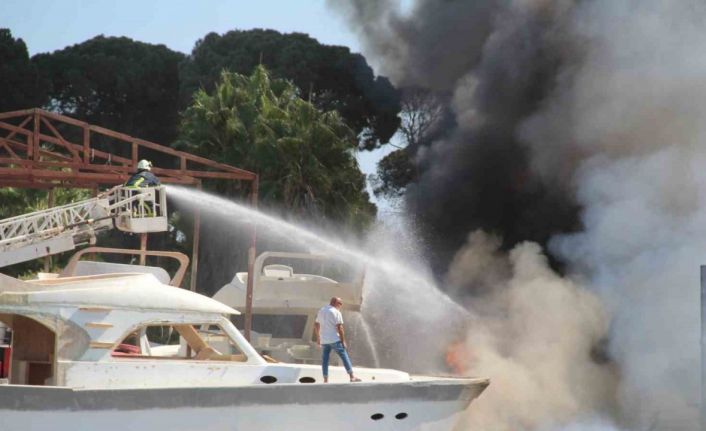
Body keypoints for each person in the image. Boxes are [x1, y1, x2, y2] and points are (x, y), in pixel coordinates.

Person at [314, 297, 361, 383]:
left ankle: (325, 379)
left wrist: (318, 337)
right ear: (336, 303)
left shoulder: (321, 310)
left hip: (324, 340)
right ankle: (352, 376)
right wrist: (343, 341)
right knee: (344, 356)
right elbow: (340, 328)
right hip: (335, 339)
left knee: (325, 360)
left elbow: (316, 324)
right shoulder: (336, 312)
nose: (341, 305)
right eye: (340, 303)